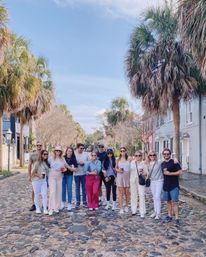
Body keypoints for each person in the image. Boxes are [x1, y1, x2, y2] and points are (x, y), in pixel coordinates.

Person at [161, 148, 182, 226]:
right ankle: (169, 216)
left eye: (168, 154)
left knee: (175, 202)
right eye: (165, 154)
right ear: (163, 155)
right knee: (168, 202)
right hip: (166, 186)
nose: (166, 155)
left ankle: (177, 218)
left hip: (174, 186)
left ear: (170, 154)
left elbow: (180, 172)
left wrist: (170, 173)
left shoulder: (174, 162)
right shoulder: (162, 163)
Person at [48, 146, 68, 215]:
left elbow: (66, 167)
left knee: (58, 192)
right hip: (52, 176)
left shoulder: (62, 159)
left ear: (61, 152)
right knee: (52, 192)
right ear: (54, 151)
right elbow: (46, 165)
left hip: (59, 176)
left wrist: (65, 169)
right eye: (56, 150)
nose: (58, 152)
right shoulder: (50, 158)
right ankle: (51, 208)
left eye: (59, 151)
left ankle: (56, 207)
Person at [130, 151, 148, 218]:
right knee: (133, 195)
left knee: (141, 195)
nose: (138, 157)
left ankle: (142, 212)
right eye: (136, 155)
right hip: (132, 181)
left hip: (141, 180)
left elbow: (147, 173)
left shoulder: (143, 163)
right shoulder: (132, 163)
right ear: (134, 156)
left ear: (141, 156)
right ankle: (134, 210)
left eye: (139, 155)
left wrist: (144, 173)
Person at [31, 150, 50, 214]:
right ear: (41, 155)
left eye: (47, 154)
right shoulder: (37, 163)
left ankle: (45, 209)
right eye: (44, 154)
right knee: (37, 195)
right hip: (36, 181)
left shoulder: (46, 163)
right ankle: (38, 208)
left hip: (44, 181)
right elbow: (32, 173)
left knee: (44, 195)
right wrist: (39, 175)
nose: (46, 155)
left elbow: (48, 172)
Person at [146, 151, 163, 220]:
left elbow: (167, 159)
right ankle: (155, 212)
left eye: (153, 155)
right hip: (152, 181)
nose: (152, 156)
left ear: (155, 156)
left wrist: (175, 159)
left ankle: (158, 214)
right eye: (150, 155)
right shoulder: (148, 163)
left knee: (157, 196)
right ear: (149, 156)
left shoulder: (159, 162)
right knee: (154, 197)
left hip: (159, 181)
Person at [62, 147, 78, 211]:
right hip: (62, 175)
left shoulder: (73, 159)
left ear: (72, 152)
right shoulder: (63, 158)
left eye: (71, 151)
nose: (69, 152)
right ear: (66, 151)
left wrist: (70, 168)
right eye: (68, 151)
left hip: (69, 176)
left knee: (69, 189)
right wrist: (64, 169)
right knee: (63, 189)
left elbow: (76, 169)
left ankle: (69, 203)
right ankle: (63, 202)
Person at [28, 141, 43, 211]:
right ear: (36, 146)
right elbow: (29, 165)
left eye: (40, 145)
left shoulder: (44, 154)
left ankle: (43, 204)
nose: (39, 147)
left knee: (43, 190)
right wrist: (29, 176)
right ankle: (33, 204)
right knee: (34, 190)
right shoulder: (32, 155)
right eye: (38, 145)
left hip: (43, 175)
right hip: (34, 175)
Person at [116, 147, 130, 214]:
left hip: (127, 177)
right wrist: (118, 170)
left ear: (126, 151)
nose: (122, 152)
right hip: (120, 176)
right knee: (121, 193)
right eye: (121, 151)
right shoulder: (118, 159)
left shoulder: (129, 159)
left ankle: (127, 206)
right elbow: (115, 168)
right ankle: (121, 208)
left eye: (123, 151)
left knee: (127, 193)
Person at [74, 143, 89, 208]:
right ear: (77, 148)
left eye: (83, 148)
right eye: (81, 148)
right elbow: (72, 161)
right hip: (76, 174)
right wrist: (78, 163)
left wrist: (84, 163)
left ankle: (84, 201)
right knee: (77, 188)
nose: (82, 149)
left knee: (84, 188)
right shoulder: (74, 154)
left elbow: (89, 162)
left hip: (84, 174)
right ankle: (78, 202)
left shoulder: (86, 154)